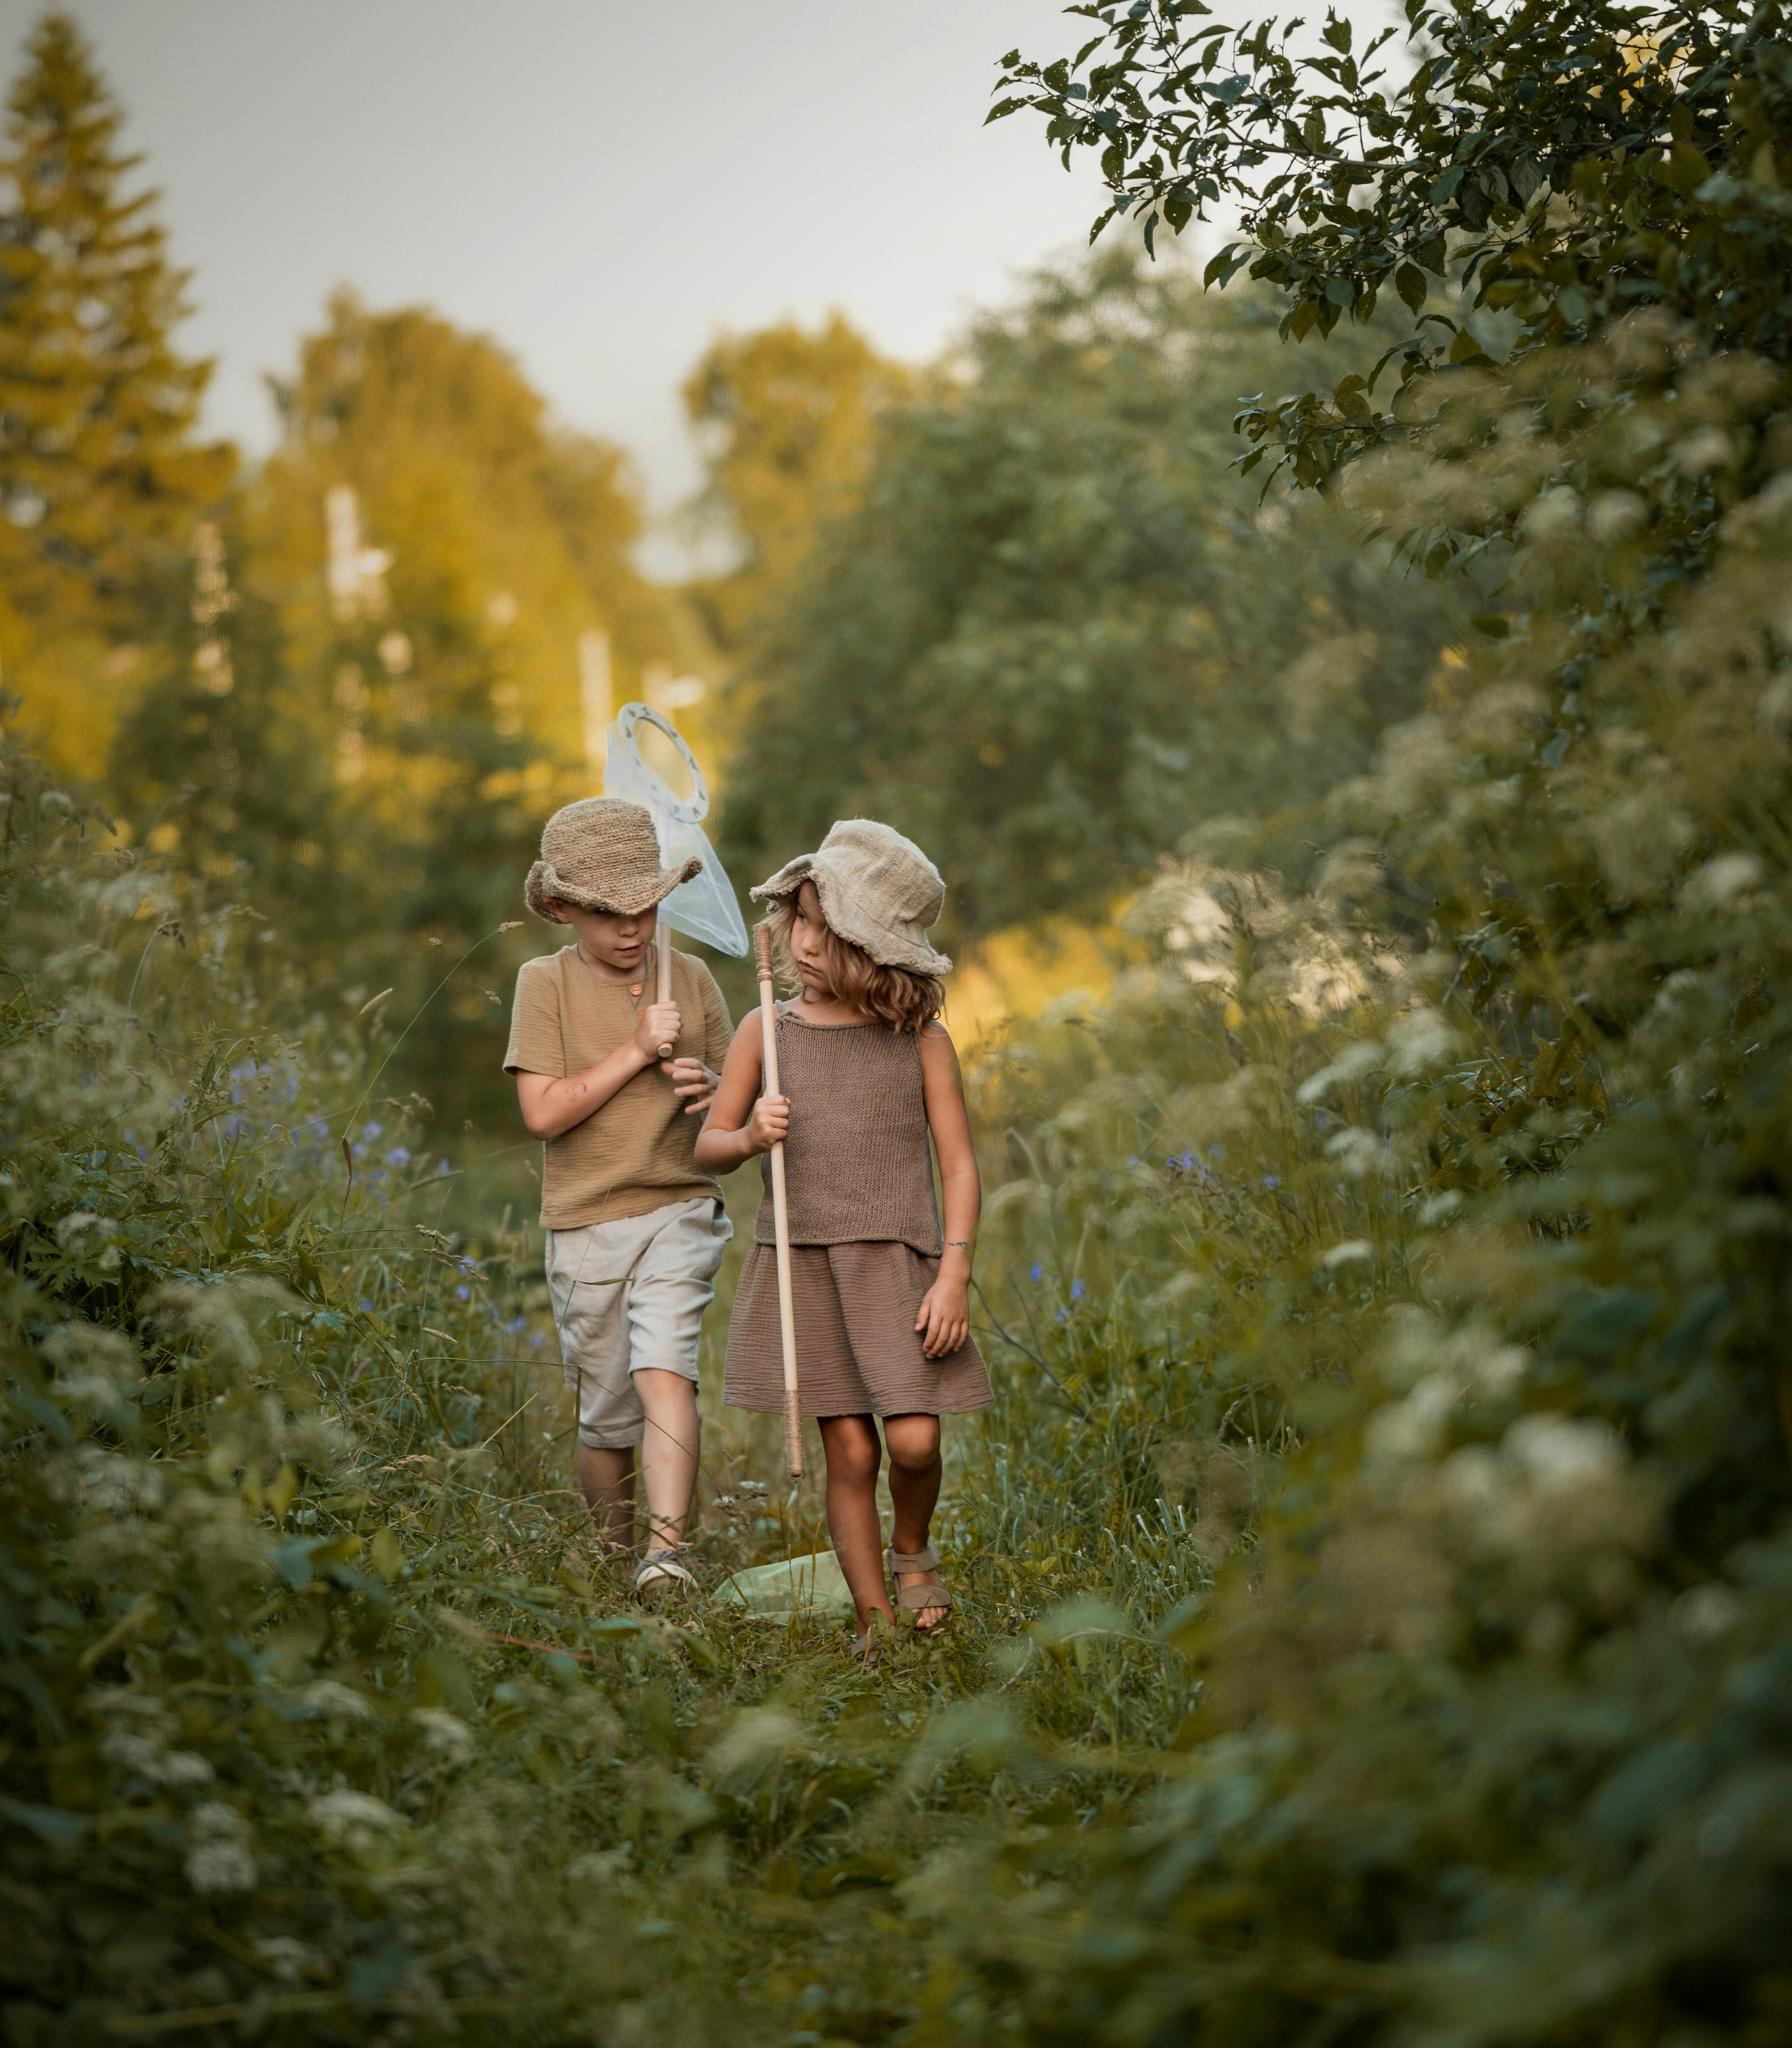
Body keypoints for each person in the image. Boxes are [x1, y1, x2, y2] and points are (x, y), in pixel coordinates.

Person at [695, 818, 991, 1650]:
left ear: (873, 948)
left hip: (898, 1268)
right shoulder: (767, 1032)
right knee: (853, 1454)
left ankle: (911, 1547)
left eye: (827, 927)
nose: (805, 940)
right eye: (799, 920)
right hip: (810, 1271)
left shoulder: (920, 1044)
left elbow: (960, 1168)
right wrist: (749, 1135)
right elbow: (708, 1148)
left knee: (915, 1440)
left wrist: (953, 1274)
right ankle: (874, 1618)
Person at [505, 797, 733, 1598]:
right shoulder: (544, 984)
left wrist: (709, 1086)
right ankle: (612, 1561)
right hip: (587, 1224)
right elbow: (542, 1114)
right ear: (562, 907)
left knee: (665, 1365)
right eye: (606, 913)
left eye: (644, 907)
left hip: (678, 1204)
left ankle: (667, 1558)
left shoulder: (692, 978)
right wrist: (637, 1051)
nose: (630, 929)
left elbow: (731, 1114)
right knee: (605, 1416)